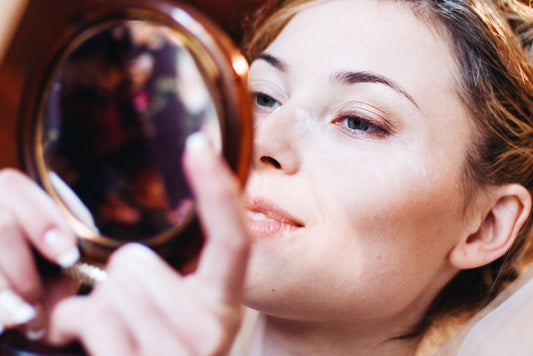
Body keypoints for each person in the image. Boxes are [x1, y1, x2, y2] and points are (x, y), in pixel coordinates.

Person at [0, 0, 533, 354]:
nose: (262, 142)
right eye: (262, 97)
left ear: (485, 226)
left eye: (359, 121)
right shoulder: (66, 312)